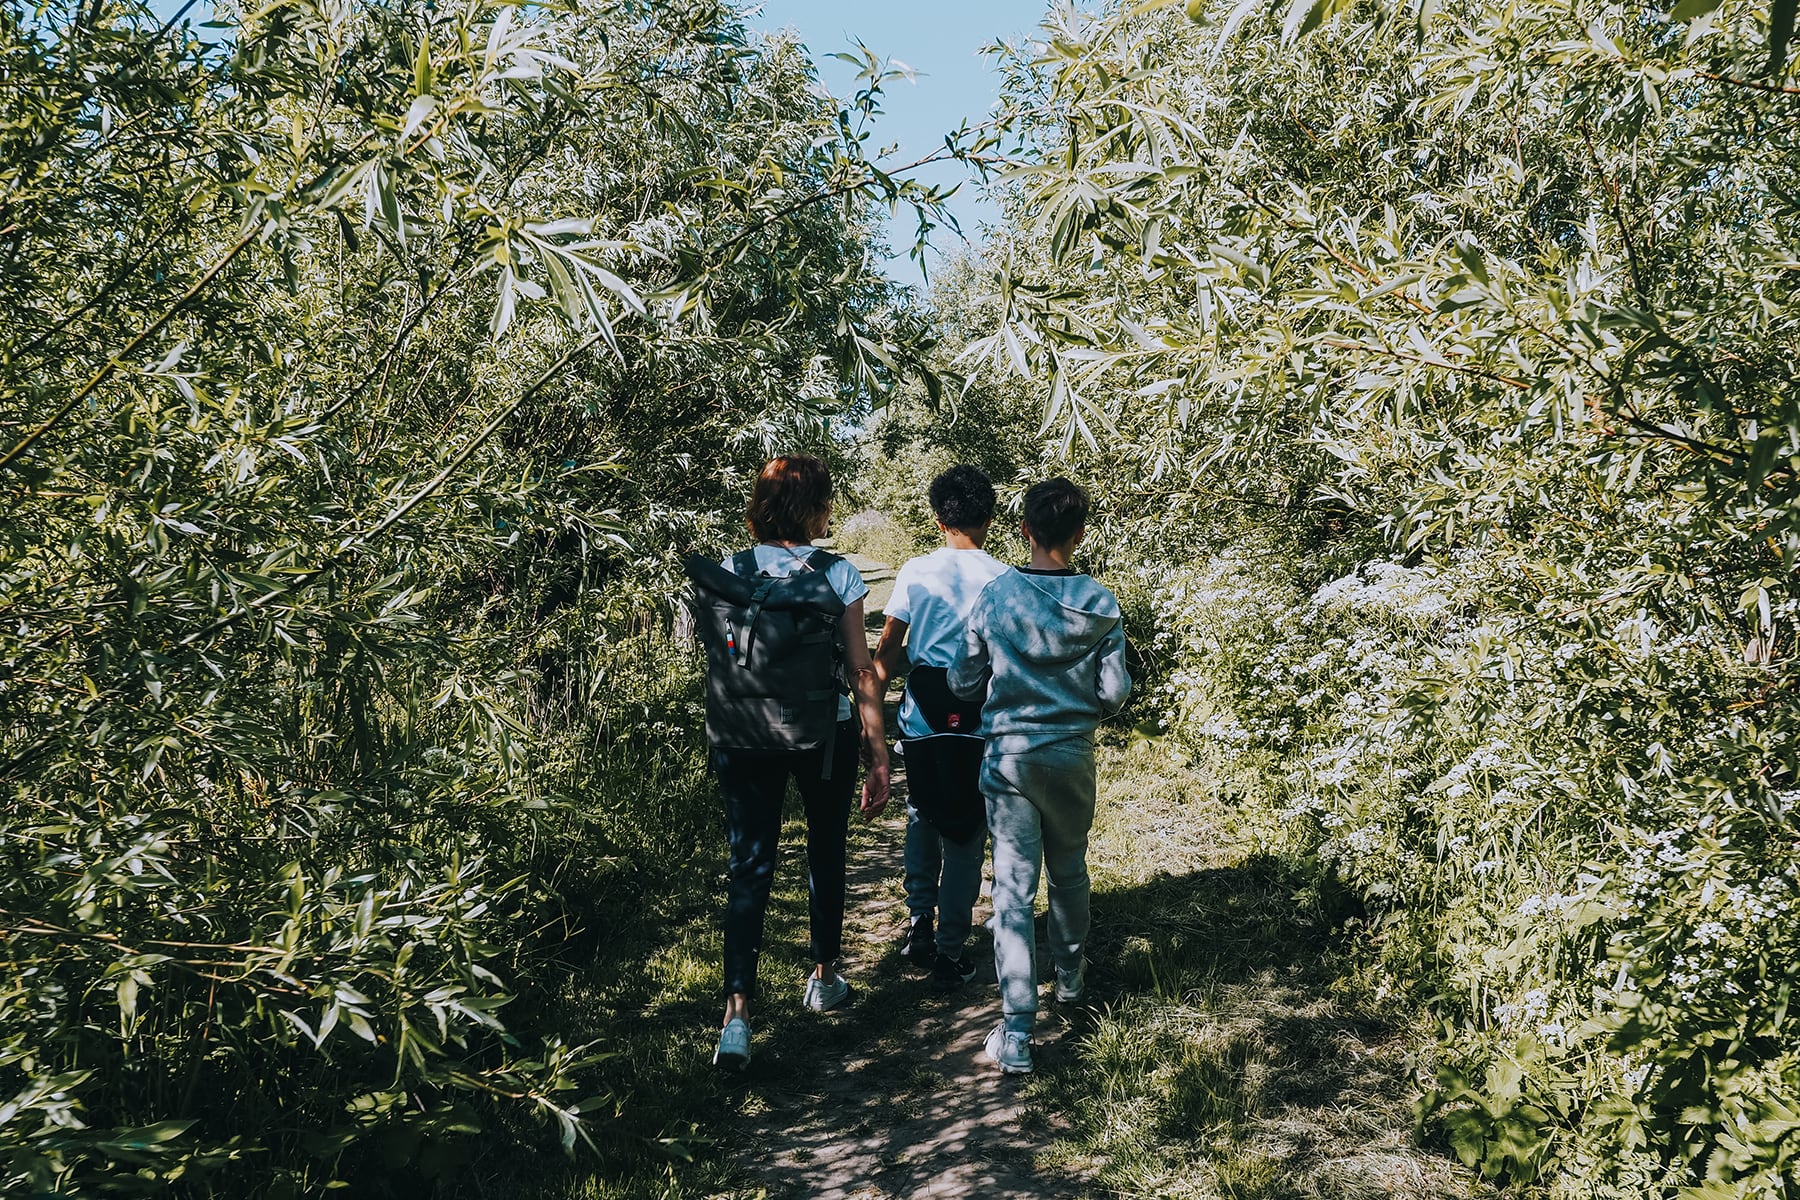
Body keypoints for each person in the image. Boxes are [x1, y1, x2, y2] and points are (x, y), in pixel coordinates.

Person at [706, 455, 891, 1070]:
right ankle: (824, 975)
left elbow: (716, 654)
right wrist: (877, 750)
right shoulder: (837, 575)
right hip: (823, 732)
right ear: (816, 507)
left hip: (742, 731)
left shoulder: (729, 570)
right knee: (825, 848)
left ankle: (736, 1015)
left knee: (749, 862)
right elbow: (861, 668)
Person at [948, 477, 1131, 1075]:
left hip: (1008, 760)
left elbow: (963, 682)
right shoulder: (1100, 603)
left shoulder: (997, 597)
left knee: (1012, 889)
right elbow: (1114, 694)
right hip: (1071, 755)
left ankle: (1018, 1029)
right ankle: (1072, 975)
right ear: (1079, 534)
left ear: (1023, 529)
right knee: (1071, 869)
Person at [872, 465, 1009, 989]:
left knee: (922, 816)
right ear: (990, 519)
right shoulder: (1004, 578)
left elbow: (889, 650)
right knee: (969, 831)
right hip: (980, 717)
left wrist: (872, 715)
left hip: (923, 716)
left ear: (938, 520)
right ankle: (951, 949)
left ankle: (918, 925)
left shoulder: (915, 571)